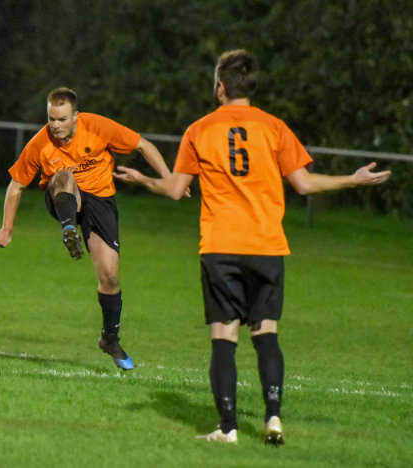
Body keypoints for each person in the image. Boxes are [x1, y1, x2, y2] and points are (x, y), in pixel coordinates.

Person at [114, 49, 391, 444]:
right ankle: (273, 417)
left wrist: (143, 180)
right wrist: (353, 179)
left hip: (221, 246)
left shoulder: (200, 129)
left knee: (224, 338)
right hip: (266, 245)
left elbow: (176, 190)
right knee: (266, 334)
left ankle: (228, 428)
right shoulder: (274, 127)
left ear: (220, 88)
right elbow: (303, 184)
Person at [0, 87, 173, 371]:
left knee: (109, 276)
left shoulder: (98, 127)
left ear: (76, 116)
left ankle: (109, 339)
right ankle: (68, 229)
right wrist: (7, 228)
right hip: (63, 197)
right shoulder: (41, 142)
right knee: (64, 175)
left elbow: (142, 145)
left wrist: (169, 179)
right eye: (51, 118)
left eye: (62, 119)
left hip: (100, 201)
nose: (55, 125)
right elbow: (16, 186)